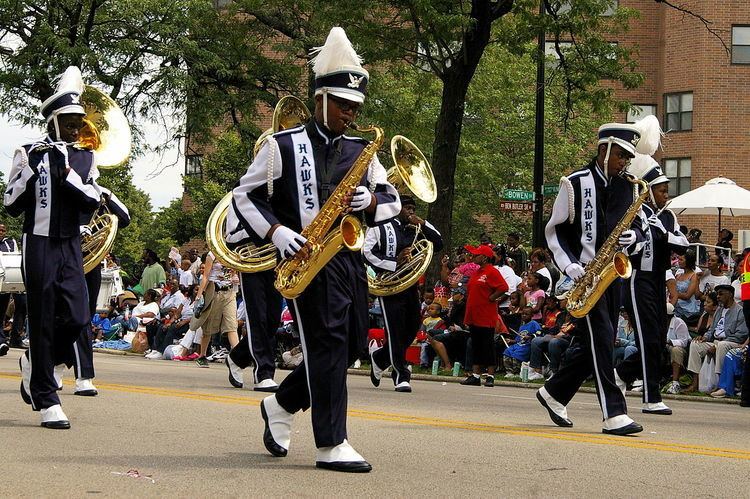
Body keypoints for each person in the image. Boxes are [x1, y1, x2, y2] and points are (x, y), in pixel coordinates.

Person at [229, 27, 400, 472]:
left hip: (349, 258)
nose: (350, 113)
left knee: (351, 347)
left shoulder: (363, 150)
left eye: (356, 107)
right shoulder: (281, 145)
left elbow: (393, 200)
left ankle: (281, 405)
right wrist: (276, 233)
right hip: (303, 258)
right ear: (321, 99)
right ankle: (332, 443)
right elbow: (245, 196)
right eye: (343, 105)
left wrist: (373, 202)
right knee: (325, 344)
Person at [536, 118, 656, 435]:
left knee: (594, 345)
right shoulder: (573, 183)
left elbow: (642, 224)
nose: (625, 162)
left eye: (629, 157)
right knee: (602, 340)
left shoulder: (630, 187)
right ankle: (614, 413)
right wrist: (570, 265)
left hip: (612, 276)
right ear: (604, 150)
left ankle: (554, 392)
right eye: (621, 155)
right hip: (583, 278)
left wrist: (635, 238)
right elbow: (554, 231)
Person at [4, 66, 100, 429]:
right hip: (38, 243)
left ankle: (36, 363)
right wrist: (30, 172)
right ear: (54, 122)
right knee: (42, 317)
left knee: (78, 315)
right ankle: (47, 398)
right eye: (70, 121)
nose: (77, 128)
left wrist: (67, 171)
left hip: (71, 244)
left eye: (79, 121)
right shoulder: (27, 152)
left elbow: (91, 198)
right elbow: (11, 202)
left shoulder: (85, 157)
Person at [614, 154, 689, 415]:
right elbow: (630, 239)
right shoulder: (636, 212)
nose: (666, 194)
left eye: (667, 190)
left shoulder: (667, 216)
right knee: (647, 338)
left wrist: (664, 232)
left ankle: (621, 373)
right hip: (638, 280)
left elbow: (683, 244)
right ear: (648, 192)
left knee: (658, 339)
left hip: (658, 280)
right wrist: (639, 236)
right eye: (661, 190)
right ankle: (651, 396)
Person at [364, 195, 443, 392]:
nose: (411, 212)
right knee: (395, 330)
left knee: (411, 328)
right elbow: (366, 253)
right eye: (407, 208)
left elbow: (438, 242)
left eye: (413, 208)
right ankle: (401, 375)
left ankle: (379, 358)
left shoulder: (415, 229)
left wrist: (423, 223)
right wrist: (394, 262)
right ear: (397, 208)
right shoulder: (379, 225)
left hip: (410, 285)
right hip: (389, 285)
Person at [70, 184, 130, 396]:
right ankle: (46, 365)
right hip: (63, 258)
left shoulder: (98, 194)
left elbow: (124, 218)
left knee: (84, 318)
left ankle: (84, 376)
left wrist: (105, 193)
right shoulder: (62, 184)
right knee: (61, 318)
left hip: (90, 264)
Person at [460, 244, 508, 387]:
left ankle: (490, 376)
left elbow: (503, 287)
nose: (473, 257)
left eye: (476, 255)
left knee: (487, 344)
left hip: (486, 314)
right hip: (474, 314)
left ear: (485, 257)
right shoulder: (477, 272)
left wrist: (492, 298)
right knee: (475, 344)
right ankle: (475, 375)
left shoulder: (491, 271)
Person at [684, 284, 749, 392]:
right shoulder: (719, 310)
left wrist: (718, 344)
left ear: (730, 295)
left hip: (731, 342)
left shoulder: (739, 311)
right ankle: (695, 383)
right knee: (695, 344)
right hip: (714, 341)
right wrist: (705, 337)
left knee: (722, 346)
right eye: (717, 294)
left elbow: (741, 335)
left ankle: (721, 385)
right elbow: (712, 330)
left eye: (721, 294)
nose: (718, 297)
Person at [190, 251, 239, 367]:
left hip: (230, 292)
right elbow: (206, 276)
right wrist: (199, 295)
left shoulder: (234, 254)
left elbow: (235, 272)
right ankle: (202, 355)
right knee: (209, 326)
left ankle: (238, 356)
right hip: (215, 292)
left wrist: (235, 277)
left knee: (232, 325)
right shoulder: (212, 255)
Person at [0, 223, 24, 353]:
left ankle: (4, 340)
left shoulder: (10, 243)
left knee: (2, 312)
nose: (1, 232)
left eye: (3, 230)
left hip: (5, 283)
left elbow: (14, 259)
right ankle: (2, 341)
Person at [662, 302, 691, 394]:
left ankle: (675, 383)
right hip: (664, 347)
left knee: (676, 350)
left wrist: (670, 342)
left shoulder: (679, 322)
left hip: (681, 349)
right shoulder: (658, 322)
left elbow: (684, 341)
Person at [673, 251, 701, 325]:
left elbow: (687, 295)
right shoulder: (678, 276)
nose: (679, 262)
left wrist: (675, 294)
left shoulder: (693, 276)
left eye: (681, 260)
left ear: (688, 261)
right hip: (676, 308)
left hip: (687, 311)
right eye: (678, 259)